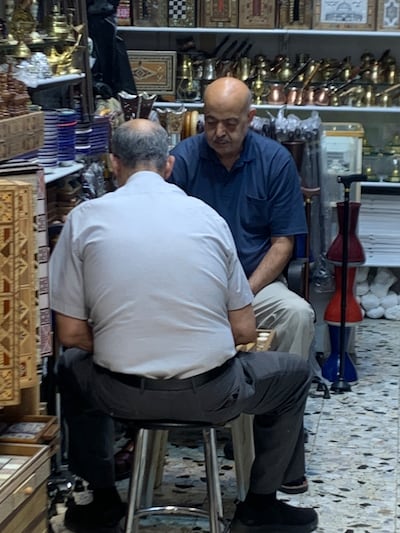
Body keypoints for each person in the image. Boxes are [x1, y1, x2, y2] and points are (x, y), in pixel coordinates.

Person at [50, 118, 318, 533]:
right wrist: (193, 340)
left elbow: (69, 335)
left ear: (112, 163)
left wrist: (127, 344)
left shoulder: (83, 220)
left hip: (120, 395)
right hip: (210, 395)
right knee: (294, 376)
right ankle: (261, 504)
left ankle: (102, 499)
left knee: (70, 366)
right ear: (169, 166)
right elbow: (245, 330)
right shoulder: (208, 219)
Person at [169, 77, 315, 363]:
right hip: (193, 285)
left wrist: (244, 295)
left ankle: (281, 403)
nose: (219, 132)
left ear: (250, 118)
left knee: (296, 314)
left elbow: (283, 242)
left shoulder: (275, 161)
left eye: (230, 123)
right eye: (211, 122)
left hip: (254, 284)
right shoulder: (182, 160)